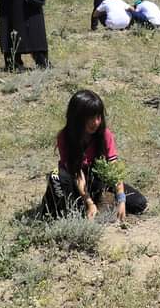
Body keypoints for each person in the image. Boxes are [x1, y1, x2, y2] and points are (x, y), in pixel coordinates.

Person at [41, 89, 147, 221]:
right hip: (73, 182)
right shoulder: (66, 137)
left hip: (96, 180)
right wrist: (89, 203)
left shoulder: (104, 135)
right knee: (57, 177)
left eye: (98, 117)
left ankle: (102, 202)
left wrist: (121, 199)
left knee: (139, 204)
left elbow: (114, 170)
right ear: (77, 118)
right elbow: (77, 174)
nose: (96, 122)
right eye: (90, 118)